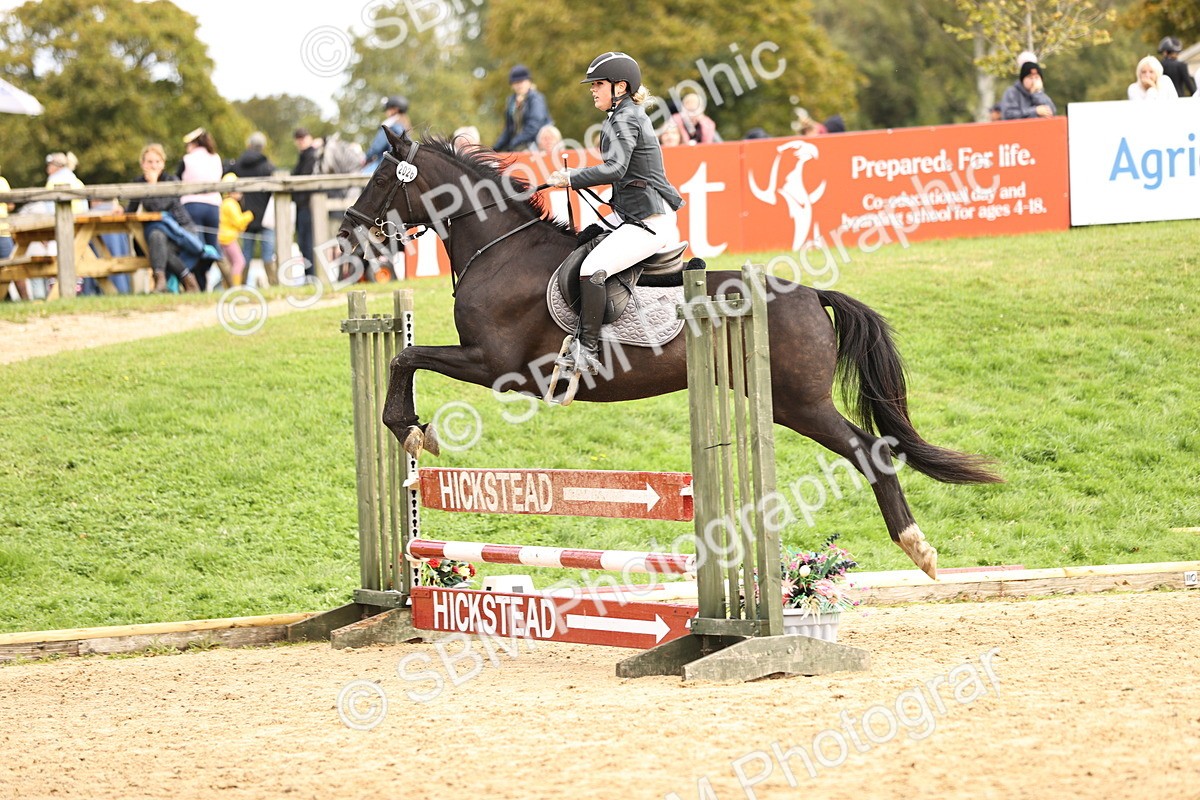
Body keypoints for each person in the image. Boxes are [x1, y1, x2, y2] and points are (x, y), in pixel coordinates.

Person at [547, 52, 684, 375]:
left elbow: (617, 168)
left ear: (619, 87)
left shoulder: (625, 117)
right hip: (632, 216)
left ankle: (588, 349)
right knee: (585, 239)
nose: (593, 90)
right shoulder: (621, 115)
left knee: (593, 269)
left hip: (649, 222)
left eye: (598, 84)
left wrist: (571, 178)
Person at [124, 143, 202, 293]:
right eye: (149, 162)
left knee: (158, 240)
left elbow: (159, 208)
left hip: (180, 229)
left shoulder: (170, 180)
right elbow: (131, 210)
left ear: (163, 163)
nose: (153, 166)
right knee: (157, 236)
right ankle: (182, 281)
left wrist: (152, 185)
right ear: (142, 164)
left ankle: (166, 281)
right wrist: (121, 211)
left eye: (157, 162)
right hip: (158, 231)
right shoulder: (138, 183)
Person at [177, 128, 223, 289]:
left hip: (192, 205)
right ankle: (205, 281)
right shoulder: (216, 158)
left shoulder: (187, 159)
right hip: (213, 206)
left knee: (196, 246)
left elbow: (177, 180)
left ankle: (198, 283)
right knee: (212, 247)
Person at [229, 131, 276, 277]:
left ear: (249, 145)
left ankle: (241, 286)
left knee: (245, 255)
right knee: (268, 254)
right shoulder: (268, 167)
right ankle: (274, 286)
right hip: (265, 218)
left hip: (245, 216)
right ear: (263, 146)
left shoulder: (237, 166)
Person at [493, 65, 553, 152]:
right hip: (519, 144)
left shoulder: (536, 99)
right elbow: (509, 129)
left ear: (529, 82)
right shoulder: (511, 101)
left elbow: (534, 126)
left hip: (536, 144)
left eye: (521, 81)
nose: (519, 85)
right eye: (515, 82)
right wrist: (496, 148)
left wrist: (514, 142)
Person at [292, 127, 320, 278]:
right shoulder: (304, 156)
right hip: (302, 205)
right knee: (304, 243)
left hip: (308, 205)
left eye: (303, 137)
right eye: (299, 138)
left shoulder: (311, 155)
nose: (301, 141)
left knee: (307, 243)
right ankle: (309, 275)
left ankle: (311, 276)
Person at [219, 173, 254, 286]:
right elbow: (239, 222)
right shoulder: (230, 204)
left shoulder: (226, 203)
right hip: (228, 239)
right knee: (239, 262)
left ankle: (228, 287)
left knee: (230, 265)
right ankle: (236, 287)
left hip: (226, 238)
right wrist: (249, 215)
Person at [364, 95, 410, 166]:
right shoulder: (405, 127)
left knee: (362, 173)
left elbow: (376, 147)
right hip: (401, 165)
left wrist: (366, 158)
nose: (386, 112)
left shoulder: (388, 126)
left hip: (385, 164)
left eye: (388, 109)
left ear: (395, 109)